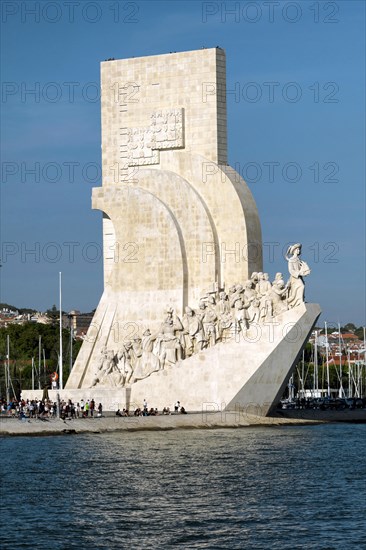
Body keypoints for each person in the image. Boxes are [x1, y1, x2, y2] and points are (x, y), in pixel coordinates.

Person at [286, 243, 310, 308]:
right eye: (297, 249)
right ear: (294, 251)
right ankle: (297, 303)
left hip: (299, 277)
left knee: (301, 287)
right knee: (301, 286)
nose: (298, 250)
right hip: (294, 278)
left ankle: (299, 301)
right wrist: (298, 273)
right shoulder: (291, 260)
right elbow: (291, 270)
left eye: (299, 249)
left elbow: (301, 268)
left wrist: (304, 271)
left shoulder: (298, 260)